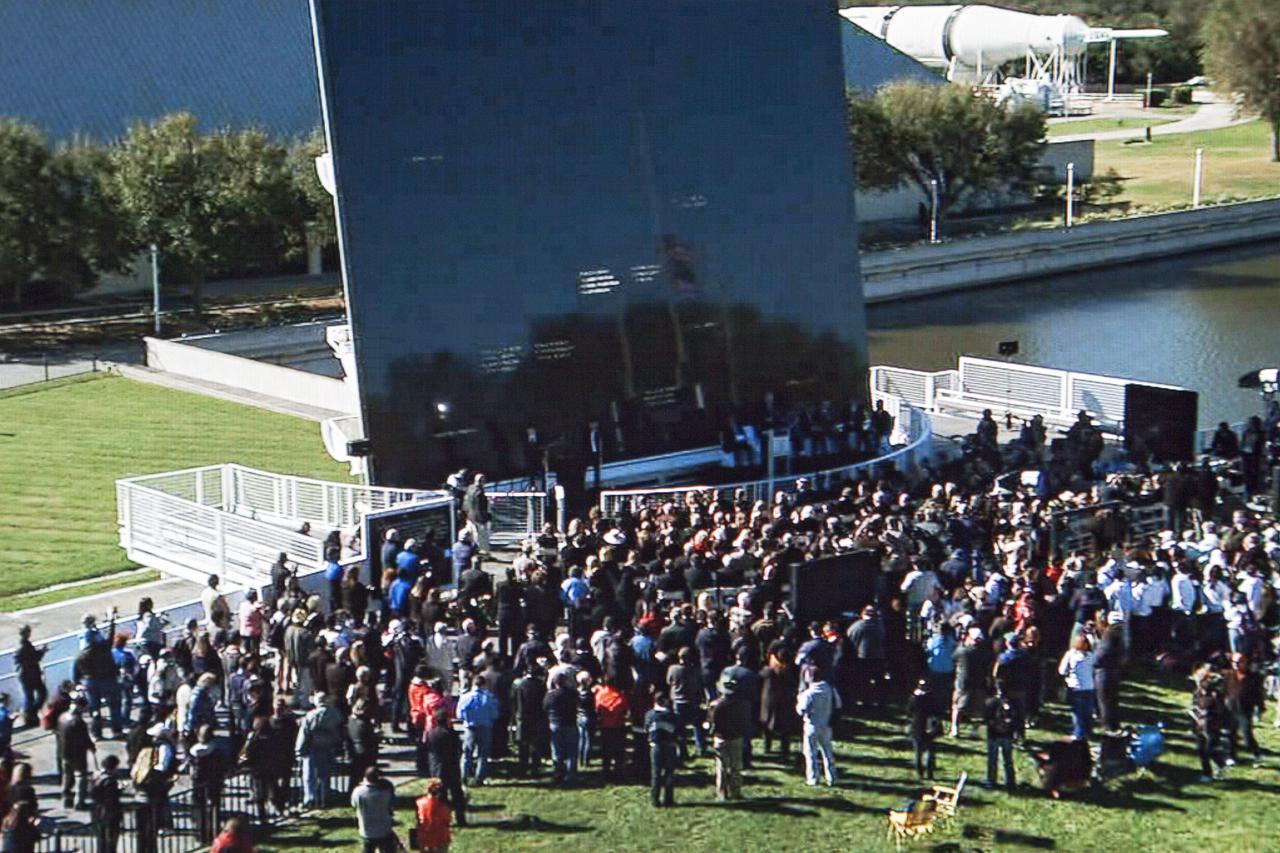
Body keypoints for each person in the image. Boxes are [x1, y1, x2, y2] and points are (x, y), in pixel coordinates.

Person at [296, 692, 344, 809]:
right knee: (325, 774)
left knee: (309, 775)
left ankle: (310, 798)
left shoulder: (311, 715)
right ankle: (324, 796)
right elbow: (341, 730)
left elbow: (304, 733)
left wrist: (299, 750)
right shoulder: (336, 714)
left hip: (313, 747)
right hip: (329, 746)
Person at [707, 675, 750, 801]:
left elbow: (711, 723)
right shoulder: (742, 704)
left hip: (721, 738)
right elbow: (745, 721)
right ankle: (736, 791)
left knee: (721, 767)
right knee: (736, 766)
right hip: (736, 737)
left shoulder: (715, 705)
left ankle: (722, 793)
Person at [796, 667, 840, 787]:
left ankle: (813, 778)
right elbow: (838, 704)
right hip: (826, 724)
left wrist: (799, 698)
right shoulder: (830, 689)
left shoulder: (808, 693)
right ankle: (832, 777)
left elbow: (801, 710)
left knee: (810, 753)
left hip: (811, 725)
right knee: (827, 751)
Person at [456, 675, 500, 786]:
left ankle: (463, 777)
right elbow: (495, 714)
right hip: (485, 728)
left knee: (467, 754)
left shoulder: (465, 697)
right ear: (484, 684)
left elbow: (459, 714)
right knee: (483, 754)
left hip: (470, 728)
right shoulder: (489, 698)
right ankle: (479, 778)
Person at [425, 710, 466, 827]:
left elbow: (427, 749)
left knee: (440, 797)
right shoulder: (451, 734)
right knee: (457, 794)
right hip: (452, 767)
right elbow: (458, 749)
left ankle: (442, 820)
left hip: (437, 768)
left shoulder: (431, 733)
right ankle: (460, 819)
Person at [189, 723, 227, 842]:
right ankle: (214, 832)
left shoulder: (193, 751)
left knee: (199, 808)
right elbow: (222, 766)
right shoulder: (216, 751)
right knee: (214, 807)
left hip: (198, 782)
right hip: (214, 782)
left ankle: (200, 832)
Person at [57, 696, 95, 809]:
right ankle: (80, 802)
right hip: (77, 754)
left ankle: (66, 799)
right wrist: (91, 746)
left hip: (63, 752)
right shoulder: (79, 722)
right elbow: (84, 738)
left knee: (67, 777)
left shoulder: (62, 717)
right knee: (81, 777)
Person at [983, 685, 1022, 791]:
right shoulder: (1013, 703)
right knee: (1004, 759)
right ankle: (1007, 781)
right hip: (999, 735)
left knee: (998, 759)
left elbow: (986, 720)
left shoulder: (990, 702)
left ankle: (994, 781)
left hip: (997, 735)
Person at [1058, 632, 1096, 741]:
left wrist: (1067, 677)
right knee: (1088, 712)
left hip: (1075, 687)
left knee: (1077, 713)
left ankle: (1078, 734)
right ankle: (1088, 732)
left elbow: (1062, 670)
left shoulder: (1070, 654)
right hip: (1089, 687)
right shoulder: (1091, 656)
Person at [645, 690, 680, 807]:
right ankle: (668, 799)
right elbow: (678, 730)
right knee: (669, 773)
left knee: (656, 773)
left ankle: (655, 799)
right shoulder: (672, 716)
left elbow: (646, 728)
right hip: (670, 746)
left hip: (656, 747)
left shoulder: (650, 715)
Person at [352, 766, 398, 853]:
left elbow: (354, 805)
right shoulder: (385, 792)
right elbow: (392, 806)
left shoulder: (358, 792)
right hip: (384, 830)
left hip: (366, 831)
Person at [544, 672, 579, 785]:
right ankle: (571, 775)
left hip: (555, 724)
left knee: (557, 750)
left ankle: (558, 773)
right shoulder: (573, 694)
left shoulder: (551, 695)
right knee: (572, 751)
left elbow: (545, 707)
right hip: (570, 723)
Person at [90, 754, 124, 853]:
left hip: (97, 811)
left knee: (101, 839)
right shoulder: (110, 782)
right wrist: (120, 790)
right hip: (109, 813)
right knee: (110, 840)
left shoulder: (97, 776)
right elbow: (112, 799)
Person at [13, 628, 45, 730]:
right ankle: (30, 715)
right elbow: (33, 659)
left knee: (31, 696)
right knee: (37, 694)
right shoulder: (24, 646)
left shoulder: (24, 645)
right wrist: (42, 652)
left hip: (27, 675)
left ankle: (30, 714)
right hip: (30, 675)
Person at [908, 680, 939, 780]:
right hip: (929, 726)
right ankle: (930, 773)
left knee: (918, 752)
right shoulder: (931, 698)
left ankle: (920, 772)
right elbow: (937, 711)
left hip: (916, 727)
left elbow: (909, 710)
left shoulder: (914, 698)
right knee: (930, 751)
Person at [416, 778, 453, 853]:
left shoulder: (419, 803)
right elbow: (447, 820)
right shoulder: (443, 806)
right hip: (441, 837)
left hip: (424, 836)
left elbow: (418, 821)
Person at [462, 473, 492, 557]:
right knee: (481, 537)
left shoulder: (470, 488)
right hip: (478, 518)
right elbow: (479, 507)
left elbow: (466, 502)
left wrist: (466, 513)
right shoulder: (479, 492)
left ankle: (473, 552)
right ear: (482, 481)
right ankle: (483, 554)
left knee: (471, 535)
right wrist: (484, 519)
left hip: (469, 516)